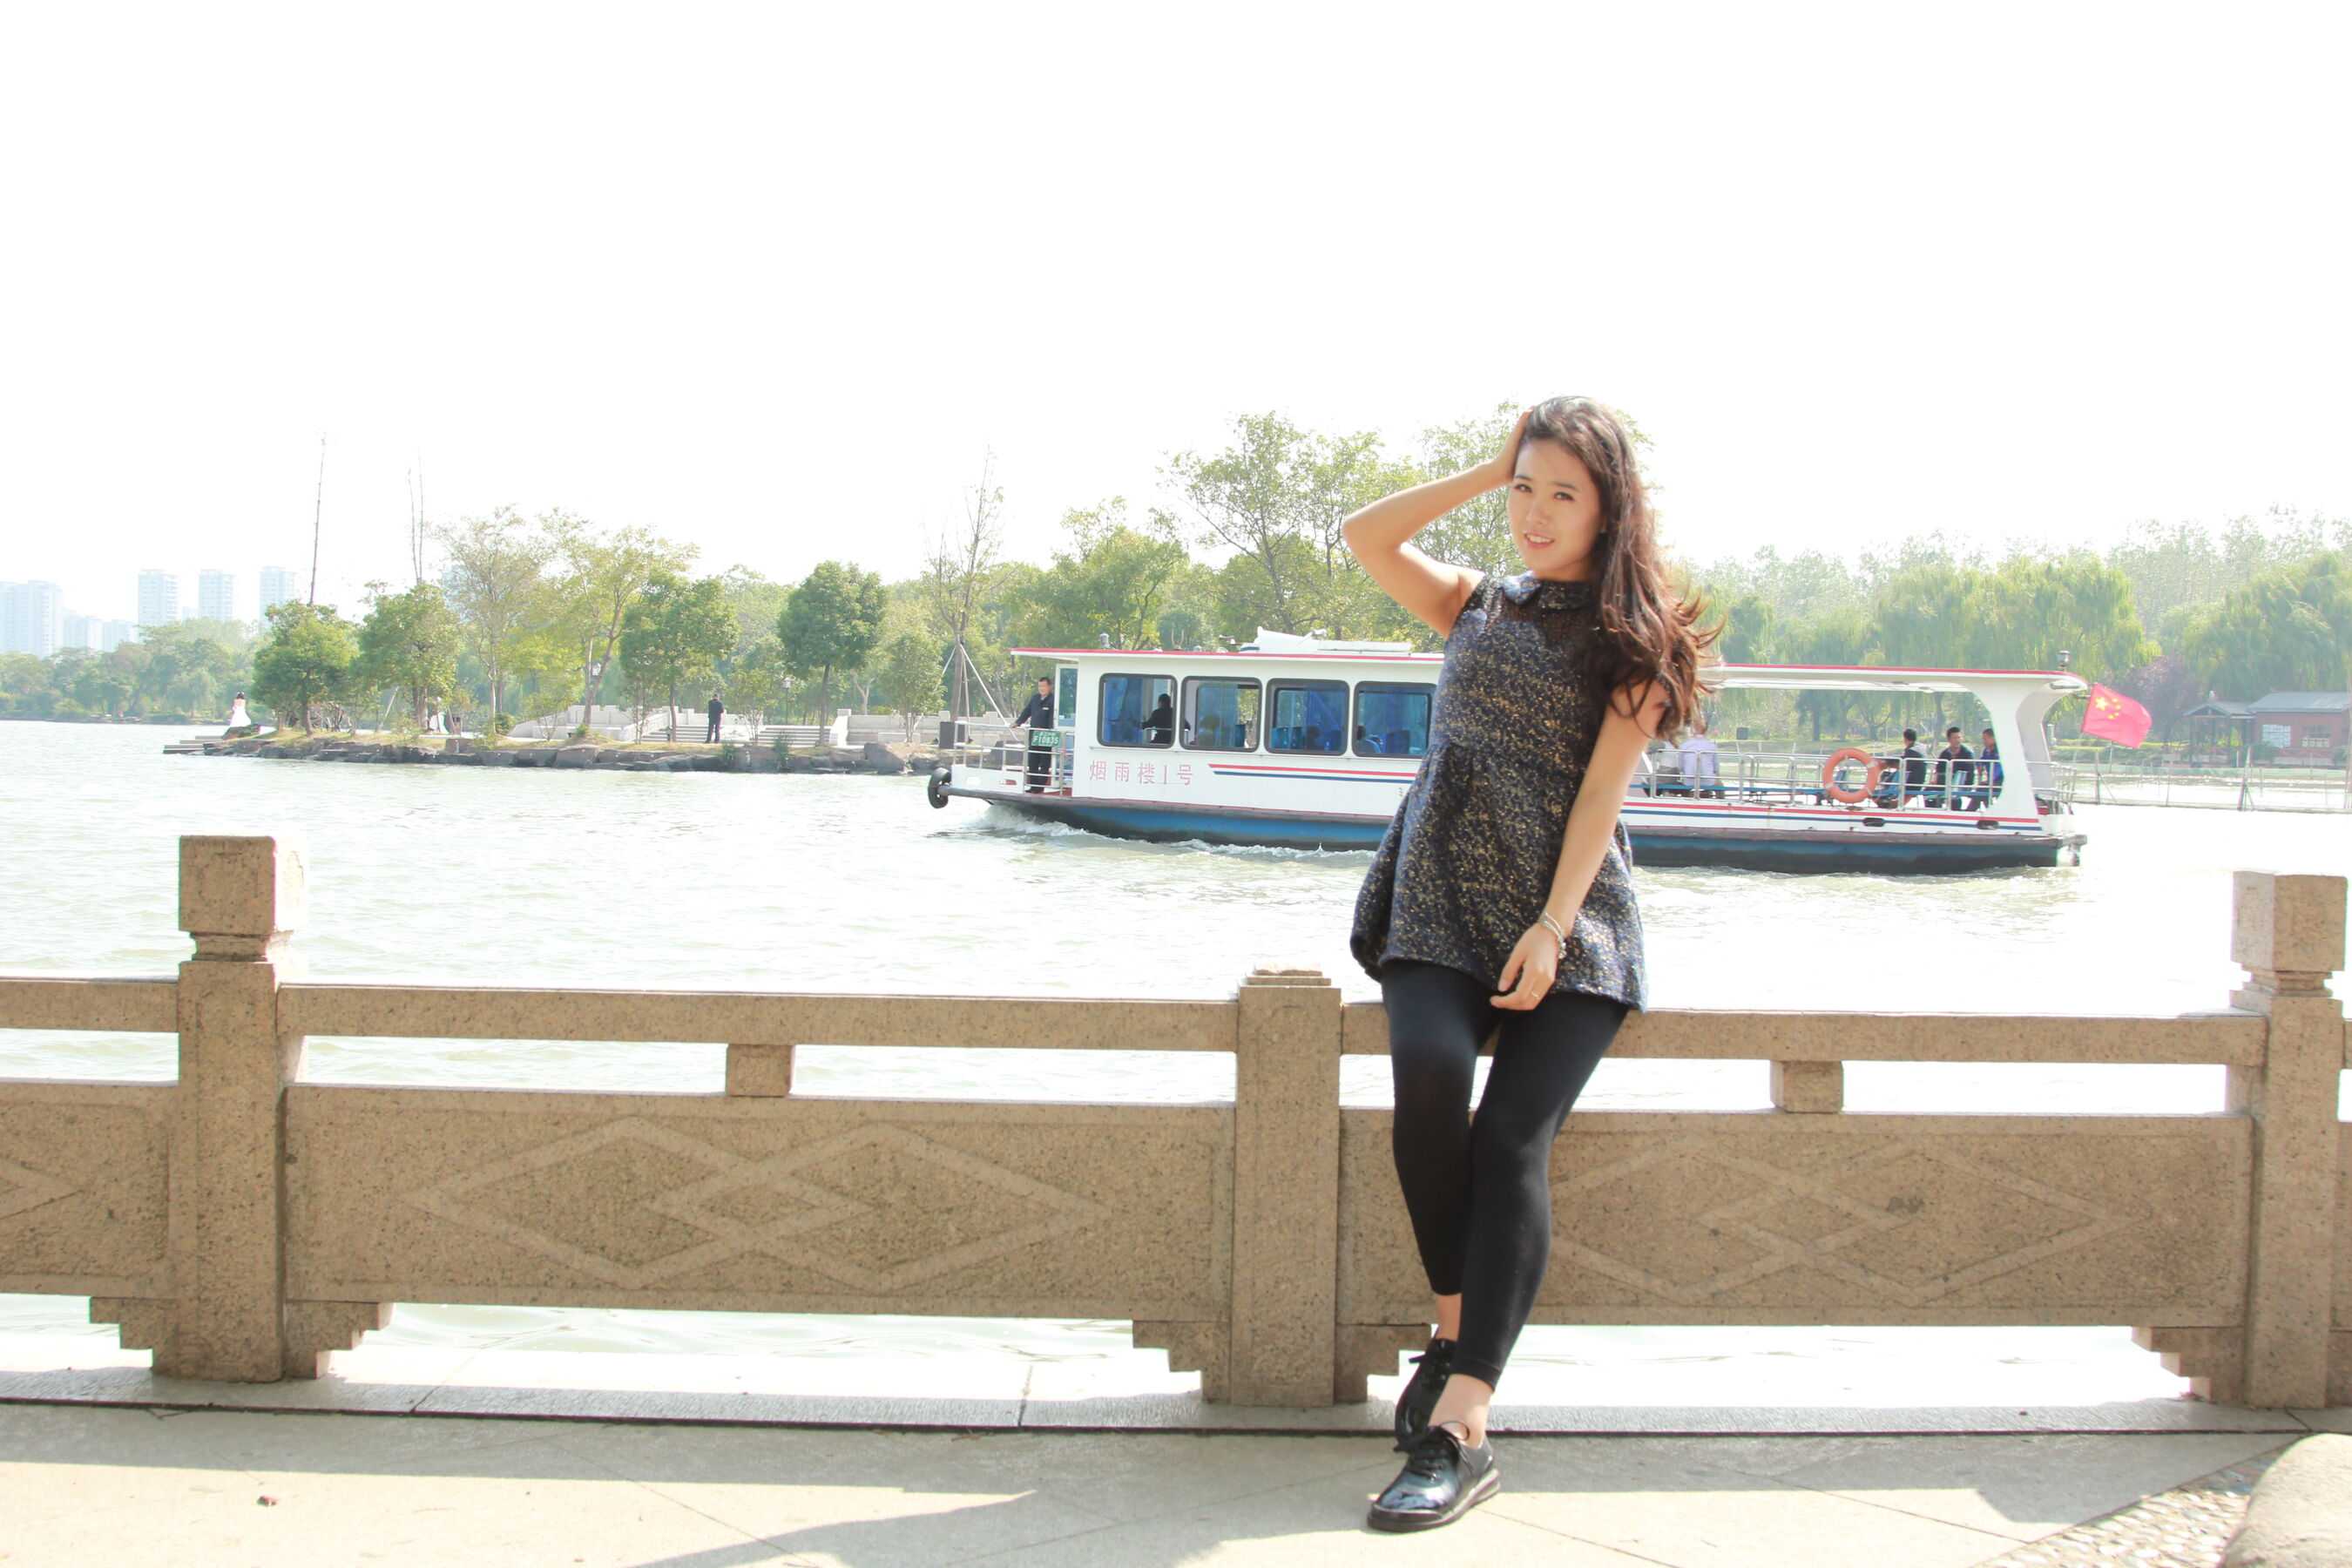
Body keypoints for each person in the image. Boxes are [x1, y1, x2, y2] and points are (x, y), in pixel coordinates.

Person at [1344, 397, 1712, 1531]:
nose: (1536, 515)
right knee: (1428, 1082)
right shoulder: (1473, 603)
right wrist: (1484, 466)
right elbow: (1365, 535)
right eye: (1524, 490)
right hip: (1438, 899)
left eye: (1563, 493)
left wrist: (1552, 928)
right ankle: (1454, 1324)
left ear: (1608, 508)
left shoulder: (1634, 644)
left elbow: (1600, 797)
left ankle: (1463, 1424)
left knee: (1511, 1137)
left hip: (1574, 918)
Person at [1012, 677, 1055, 792]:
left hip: (1046, 735)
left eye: (1044, 686)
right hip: (1034, 734)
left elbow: (1053, 717)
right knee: (1032, 761)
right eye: (1040, 686)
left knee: (1044, 762)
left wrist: (1048, 728)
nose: (1041, 688)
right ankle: (1033, 786)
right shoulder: (1035, 698)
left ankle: (1040, 787)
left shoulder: (1053, 700)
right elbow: (1027, 711)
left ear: (1049, 687)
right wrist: (1018, 722)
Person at [1676, 715, 1722, 798]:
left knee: (1685, 784)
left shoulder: (1684, 745)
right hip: (1708, 781)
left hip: (1689, 781)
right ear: (1706, 730)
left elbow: (1680, 767)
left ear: (1692, 729)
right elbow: (1716, 768)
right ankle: (1721, 802)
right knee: (1720, 786)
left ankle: (1686, 799)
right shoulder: (1711, 746)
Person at [1935, 726, 1974, 810]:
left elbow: (1970, 774)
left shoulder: (1967, 754)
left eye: (1959, 737)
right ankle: (1935, 812)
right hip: (1945, 784)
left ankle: (1956, 812)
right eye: (1955, 738)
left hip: (1961, 784)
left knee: (1954, 796)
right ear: (1949, 739)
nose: (1958, 740)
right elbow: (1939, 770)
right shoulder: (1944, 754)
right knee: (1928, 792)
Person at [1976, 727, 2003, 808]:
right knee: (1981, 790)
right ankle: (1989, 809)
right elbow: (1982, 760)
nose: (1984, 741)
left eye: (1985, 739)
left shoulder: (2000, 751)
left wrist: (1989, 781)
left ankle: (1971, 810)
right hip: (1991, 781)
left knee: (1981, 790)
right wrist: (1979, 765)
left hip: (2001, 781)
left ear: (1993, 738)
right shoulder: (1986, 751)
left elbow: (1999, 768)